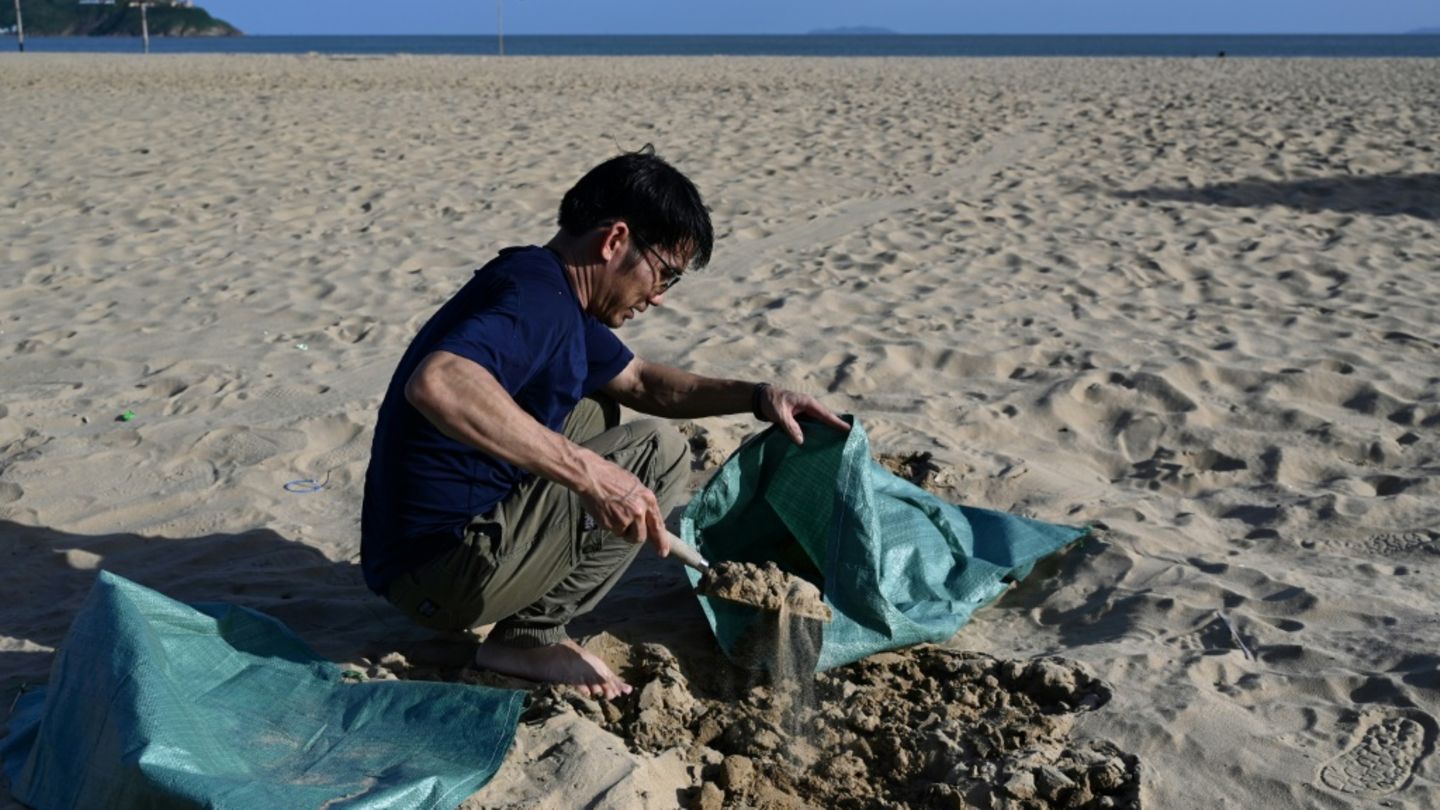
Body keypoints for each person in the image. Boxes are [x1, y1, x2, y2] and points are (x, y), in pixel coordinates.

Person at [361, 149, 849, 699]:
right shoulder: (538, 301)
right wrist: (589, 474)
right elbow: (440, 381)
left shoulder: (553, 287)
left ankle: (526, 605)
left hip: (414, 558)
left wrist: (761, 397)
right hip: (439, 574)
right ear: (615, 241)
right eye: (663, 274)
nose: (660, 298)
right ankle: (527, 637)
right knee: (654, 452)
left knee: (598, 409)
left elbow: (642, 382)